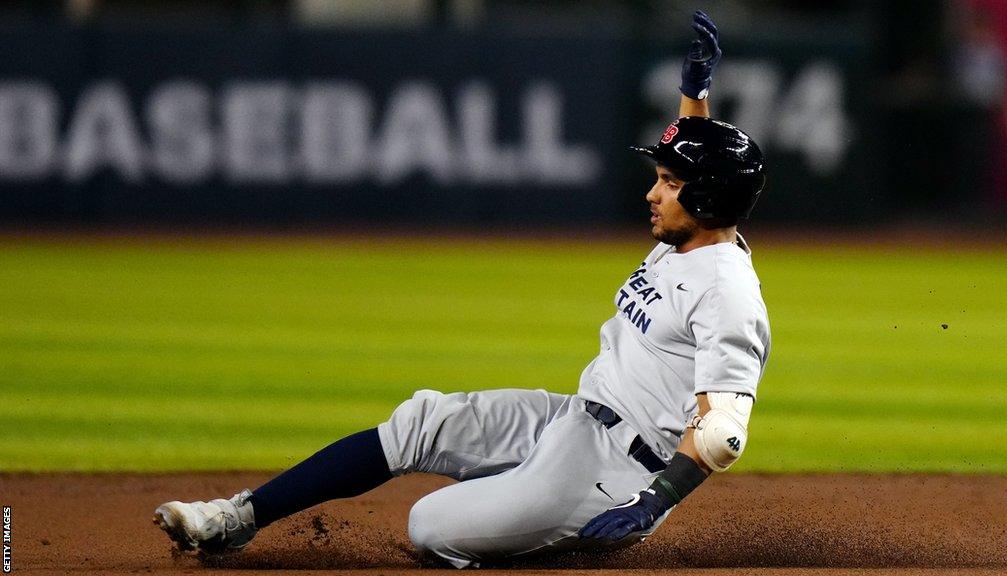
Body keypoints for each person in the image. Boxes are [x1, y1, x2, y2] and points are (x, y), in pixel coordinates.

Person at [153, 10, 770, 568]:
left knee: (430, 528)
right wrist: (694, 96)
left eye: (668, 182)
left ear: (709, 199)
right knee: (422, 422)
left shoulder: (727, 291)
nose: (653, 193)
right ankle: (236, 518)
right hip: (573, 418)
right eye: (660, 177)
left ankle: (553, 532)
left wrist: (651, 503)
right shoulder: (686, 236)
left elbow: (723, 433)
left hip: (618, 473)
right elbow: (701, 168)